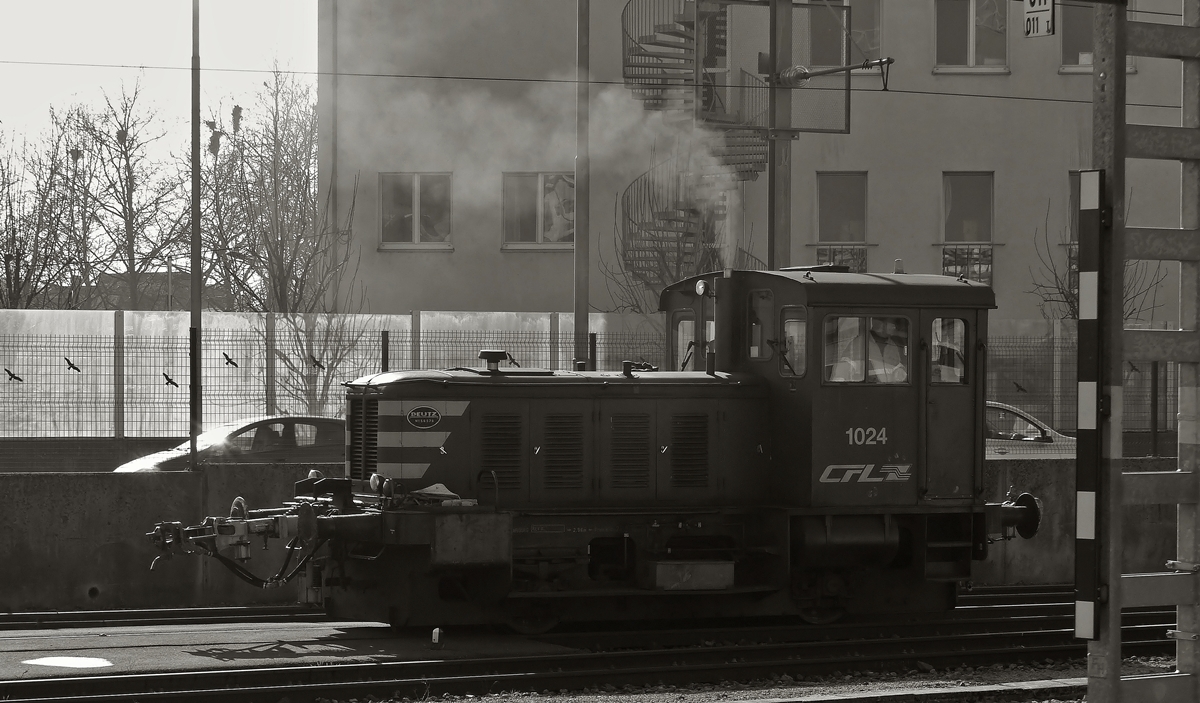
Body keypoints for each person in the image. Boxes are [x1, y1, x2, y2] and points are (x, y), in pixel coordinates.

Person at [867, 317, 908, 383]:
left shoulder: (895, 345)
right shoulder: (859, 343)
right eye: (891, 324)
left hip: (892, 390)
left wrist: (901, 371)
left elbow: (902, 365)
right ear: (880, 325)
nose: (894, 327)